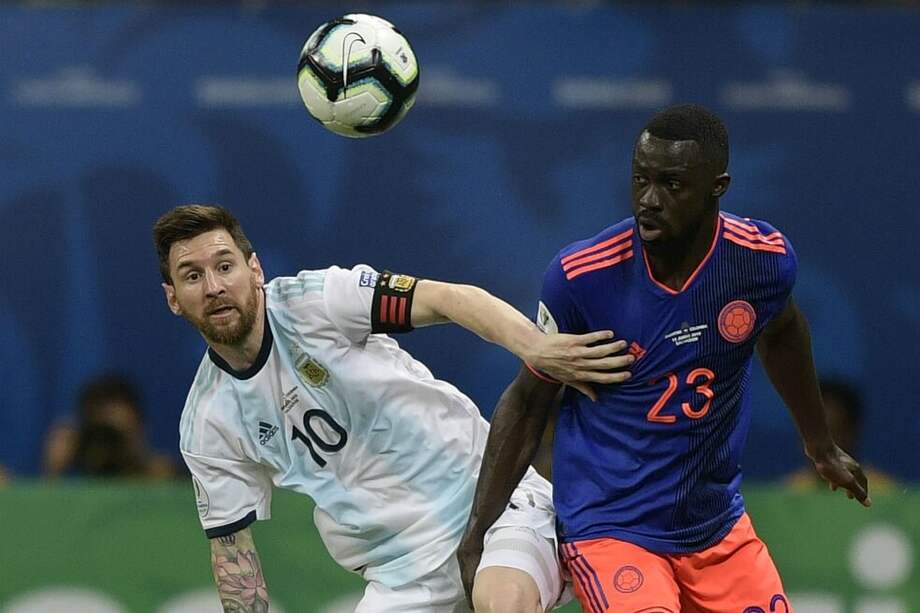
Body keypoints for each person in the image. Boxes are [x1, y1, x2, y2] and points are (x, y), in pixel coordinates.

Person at [458, 104, 871, 613]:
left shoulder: (760, 261)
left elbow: (783, 333)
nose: (648, 200)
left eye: (672, 185)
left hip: (715, 526)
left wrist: (820, 446)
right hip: (611, 527)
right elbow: (526, 403)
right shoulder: (582, 277)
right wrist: (478, 531)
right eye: (640, 180)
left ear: (717, 186)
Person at [153, 204, 632, 613]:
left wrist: (535, 347)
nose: (214, 286)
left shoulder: (318, 301)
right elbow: (234, 555)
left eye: (225, 266)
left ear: (254, 270)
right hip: (402, 575)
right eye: (192, 276)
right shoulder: (208, 422)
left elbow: (450, 298)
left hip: (490, 506)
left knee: (501, 600)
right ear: (173, 299)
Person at [42, 373, 176, 479]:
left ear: (141, 430)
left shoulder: (165, 480)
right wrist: (53, 474)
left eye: (114, 437)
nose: (107, 447)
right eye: (100, 436)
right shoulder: (73, 499)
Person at [786, 377, 896, 493]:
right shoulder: (788, 495)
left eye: (833, 433)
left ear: (852, 432)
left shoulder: (885, 494)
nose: (821, 444)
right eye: (812, 433)